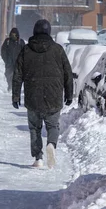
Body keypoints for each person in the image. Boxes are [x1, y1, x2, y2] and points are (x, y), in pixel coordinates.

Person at [12, 19, 73, 168]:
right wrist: (69, 94)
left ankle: (38, 158)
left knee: (34, 128)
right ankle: (51, 144)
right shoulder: (58, 50)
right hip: (54, 95)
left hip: (33, 95)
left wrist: (15, 95)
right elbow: (68, 74)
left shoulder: (26, 50)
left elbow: (17, 74)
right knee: (53, 126)